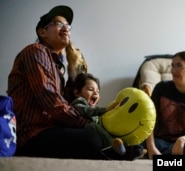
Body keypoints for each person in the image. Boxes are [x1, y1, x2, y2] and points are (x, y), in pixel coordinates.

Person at [7, 5, 142, 160]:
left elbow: (70, 102)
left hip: (49, 130)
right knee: (92, 138)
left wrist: (73, 69)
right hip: (30, 134)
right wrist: (84, 123)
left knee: (93, 134)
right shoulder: (36, 51)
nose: (66, 29)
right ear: (42, 32)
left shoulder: (57, 67)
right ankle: (114, 152)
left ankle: (114, 150)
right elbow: (50, 99)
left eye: (68, 26)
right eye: (58, 24)